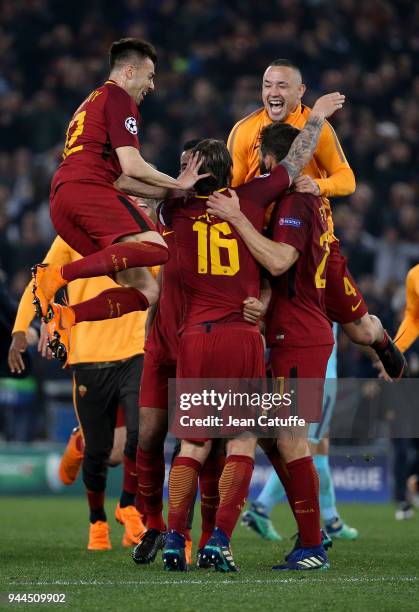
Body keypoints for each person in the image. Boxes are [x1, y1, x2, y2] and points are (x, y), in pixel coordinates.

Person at [160, 92, 345, 572]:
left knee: (194, 445)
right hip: (241, 336)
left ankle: (175, 539)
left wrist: (176, 185)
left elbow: (135, 187)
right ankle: (219, 540)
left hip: (195, 340)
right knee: (243, 440)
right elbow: (295, 160)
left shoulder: (175, 212)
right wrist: (317, 118)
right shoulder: (250, 197)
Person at [207, 122, 336, 570]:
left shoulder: (294, 204)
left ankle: (313, 546)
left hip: (298, 337)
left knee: (291, 439)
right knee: (270, 438)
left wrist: (238, 218)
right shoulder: (303, 202)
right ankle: (312, 536)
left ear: (268, 158)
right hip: (291, 334)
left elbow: (281, 260)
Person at [227, 58, 407, 381]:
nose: (273, 92)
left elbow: (348, 179)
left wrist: (318, 185)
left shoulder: (316, 125)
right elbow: (235, 191)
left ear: (300, 91)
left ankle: (382, 340)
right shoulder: (243, 132)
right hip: (267, 245)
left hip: (315, 247)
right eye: (268, 85)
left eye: (282, 85)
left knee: (361, 333)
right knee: (254, 318)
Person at [31, 38, 207, 361]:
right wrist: (178, 182)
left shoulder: (89, 102)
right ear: (129, 71)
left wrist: (174, 192)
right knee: (157, 248)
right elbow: (133, 165)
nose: (151, 86)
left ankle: (66, 317)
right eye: (150, 76)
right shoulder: (119, 97)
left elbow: (124, 180)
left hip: (64, 201)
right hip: (87, 188)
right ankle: (54, 276)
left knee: (146, 290)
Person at [9, 217, 155, 550]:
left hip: (135, 350)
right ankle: (81, 448)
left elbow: (161, 285)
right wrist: (29, 327)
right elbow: (40, 286)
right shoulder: (69, 237)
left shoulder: (141, 233)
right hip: (89, 355)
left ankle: (129, 509)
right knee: (109, 453)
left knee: (143, 433)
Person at [133, 140, 226, 567]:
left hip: (206, 342)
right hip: (164, 339)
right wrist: (173, 186)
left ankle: (205, 537)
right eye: (183, 164)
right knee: (148, 436)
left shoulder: (231, 212)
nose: (188, 171)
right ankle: (152, 524)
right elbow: (133, 191)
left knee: (207, 444)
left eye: (196, 166)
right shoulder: (169, 208)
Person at [242, 323, 359, 541]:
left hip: (289, 369)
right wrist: (385, 353)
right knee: (303, 448)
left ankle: (332, 519)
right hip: (317, 375)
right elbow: (360, 326)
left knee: (319, 447)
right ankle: (262, 507)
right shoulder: (320, 291)